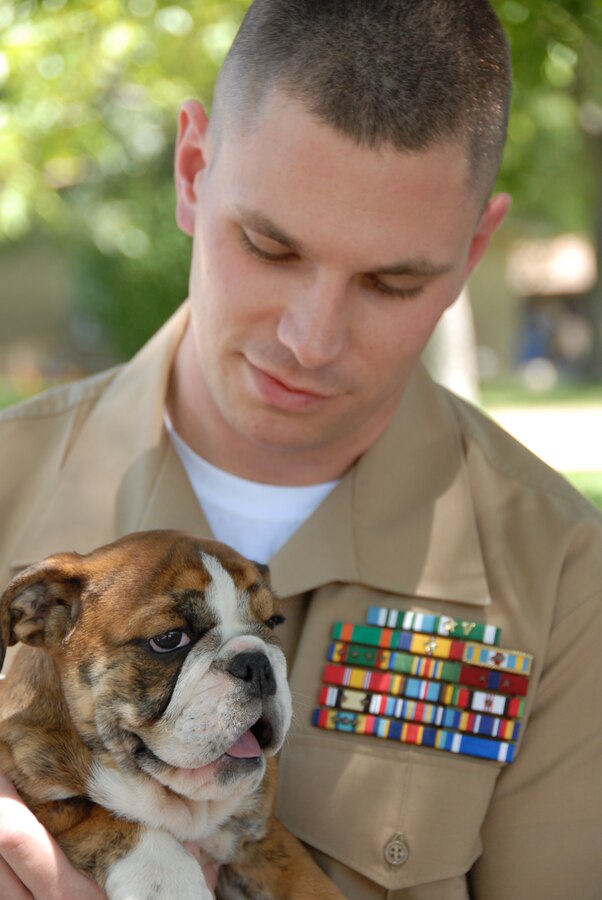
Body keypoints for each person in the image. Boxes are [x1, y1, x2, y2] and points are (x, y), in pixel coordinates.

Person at [0, 0, 601, 897]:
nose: (311, 339)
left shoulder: (556, 570)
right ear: (194, 171)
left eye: (392, 282)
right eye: (269, 246)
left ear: (474, 250)